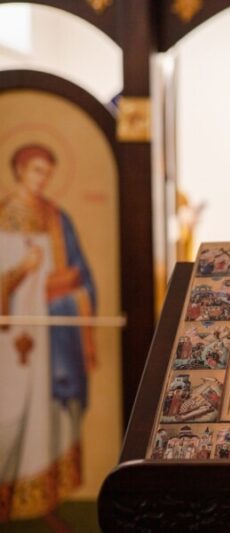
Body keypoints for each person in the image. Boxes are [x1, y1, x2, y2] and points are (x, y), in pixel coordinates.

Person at [0, 144, 97, 524]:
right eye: (36, 170)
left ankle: (43, 504)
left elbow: (80, 275)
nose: (42, 179)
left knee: (44, 413)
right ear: (20, 170)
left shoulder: (57, 218)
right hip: (7, 340)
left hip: (46, 336)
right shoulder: (2, 215)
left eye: (48, 172)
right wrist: (23, 270)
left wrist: (66, 288)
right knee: (9, 412)